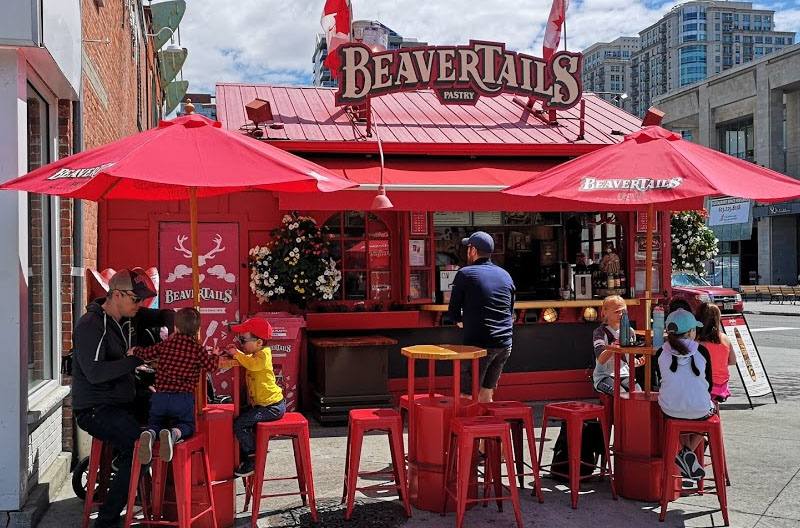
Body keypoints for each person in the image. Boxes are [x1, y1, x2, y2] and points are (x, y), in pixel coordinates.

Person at [71, 268, 172, 528]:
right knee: (141, 446)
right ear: (116, 294)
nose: (141, 305)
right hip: (96, 408)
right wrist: (136, 359)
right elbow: (94, 373)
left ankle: (163, 501)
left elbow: (167, 314)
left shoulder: (130, 316)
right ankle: (107, 521)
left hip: (123, 400)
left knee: (172, 414)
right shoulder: (90, 325)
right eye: (136, 299)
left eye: (142, 300)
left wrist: (173, 339)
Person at [128, 307, 224, 464]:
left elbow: (147, 353)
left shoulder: (166, 344)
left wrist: (134, 351)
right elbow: (211, 367)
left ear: (176, 327)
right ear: (197, 330)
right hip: (183, 398)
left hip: (160, 397)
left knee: (156, 421)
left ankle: (151, 433)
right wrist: (214, 355)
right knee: (188, 424)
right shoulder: (197, 349)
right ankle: (174, 434)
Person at [447, 231, 515, 404]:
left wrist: (461, 320)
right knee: (486, 393)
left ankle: (467, 430)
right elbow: (509, 309)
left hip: (479, 345)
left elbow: (453, 312)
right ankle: (487, 429)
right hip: (504, 344)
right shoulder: (505, 275)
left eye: (468, 247)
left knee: (467, 396)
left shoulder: (465, 274)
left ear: (473, 250)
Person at [655, 309, 715, 480]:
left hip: (669, 409)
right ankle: (687, 454)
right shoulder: (702, 351)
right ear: (690, 332)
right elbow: (709, 385)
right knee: (706, 411)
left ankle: (685, 455)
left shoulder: (660, 352)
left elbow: (659, 380)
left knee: (680, 416)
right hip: (700, 410)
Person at [224, 317, 285, 477]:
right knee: (239, 415)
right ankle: (245, 450)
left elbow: (253, 365)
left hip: (272, 407)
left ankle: (252, 457)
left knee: (240, 424)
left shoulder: (263, 355)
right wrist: (236, 353)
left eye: (243, 340)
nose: (240, 343)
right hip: (264, 405)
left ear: (259, 342)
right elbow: (249, 360)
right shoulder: (255, 354)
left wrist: (236, 354)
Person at [591, 295, 640, 396]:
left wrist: (637, 362)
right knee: (620, 393)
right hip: (604, 376)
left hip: (625, 374)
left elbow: (629, 359)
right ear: (605, 312)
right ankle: (617, 412)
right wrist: (614, 347)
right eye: (617, 311)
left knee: (638, 392)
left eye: (623, 311)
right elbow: (601, 359)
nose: (621, 314)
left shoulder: (630, 331)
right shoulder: (599, 332)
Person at [695, 302, 736, 402]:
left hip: (705, 385)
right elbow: (733, 361)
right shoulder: (725, 338)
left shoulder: (697, 342)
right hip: (722, 386)